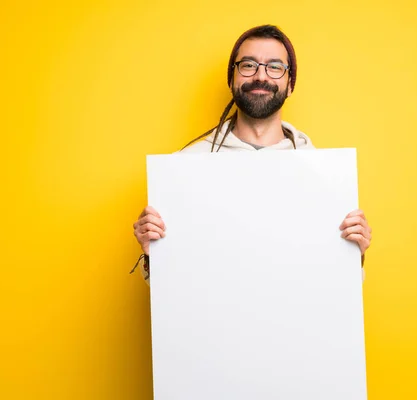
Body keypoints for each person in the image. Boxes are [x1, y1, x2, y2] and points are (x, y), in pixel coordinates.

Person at [132, 25, 372, 281]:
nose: (261, 76)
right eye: (248, 65)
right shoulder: (185, 167)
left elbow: (335, 286)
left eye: (275, 67)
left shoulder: (324, 176)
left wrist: (353, 253)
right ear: (232, 79)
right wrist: (153, 252)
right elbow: (174, 290)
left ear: (290, 84)